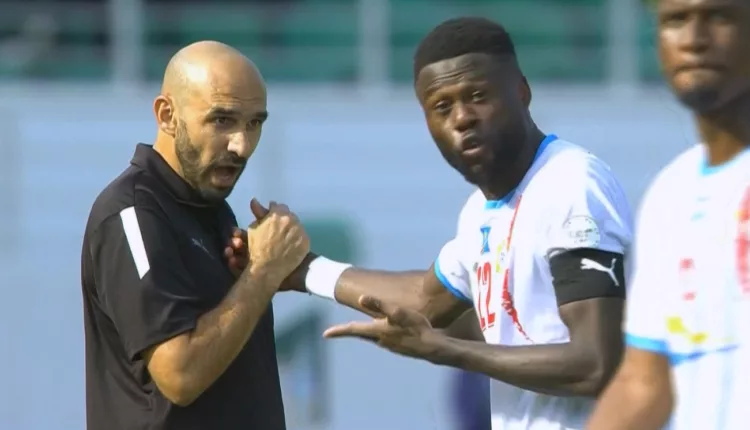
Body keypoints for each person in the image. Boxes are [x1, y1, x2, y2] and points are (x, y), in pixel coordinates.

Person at [264, 17, 633, 429]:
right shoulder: (479, 211)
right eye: (442, 107)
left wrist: (446, 350)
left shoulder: (571, 183)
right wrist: (304, 270)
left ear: (522, 92)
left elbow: (594, 363)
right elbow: (426, 300)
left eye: (477, 96)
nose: (462, 118)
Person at [80, 40, 310, 430]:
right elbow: (180, 376)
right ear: (167, 115)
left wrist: (268, 267)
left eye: (254, 123)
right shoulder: (130, 214)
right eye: (222, 120)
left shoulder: (211, 207)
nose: (241, 145)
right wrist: (261, 275)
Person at [587, 0, 750, 428]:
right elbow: (645, 382)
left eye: (720, 17)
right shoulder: (671, 191)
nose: (694, 39)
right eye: (676, 20)